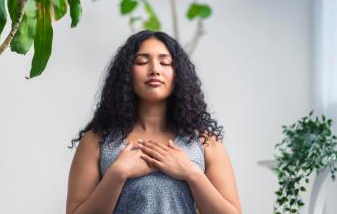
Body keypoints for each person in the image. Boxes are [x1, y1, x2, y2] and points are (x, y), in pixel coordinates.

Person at [66, 30, 242, 214]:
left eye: (165, 62)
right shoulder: (96, 140)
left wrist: (191, 173)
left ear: (178, 73)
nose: (155, 70)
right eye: (142, 61)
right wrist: (117, 174)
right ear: (126, 73)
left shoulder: (206, 142)